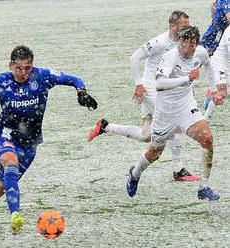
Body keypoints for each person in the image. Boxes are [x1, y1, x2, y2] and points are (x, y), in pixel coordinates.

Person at [0, 45, 98, 233]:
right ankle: (15, 216)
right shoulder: (1, 81)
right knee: (10, 162)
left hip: (30, 145)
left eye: (27, 68)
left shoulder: (42, 76)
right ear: (11, 65)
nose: (23, 73)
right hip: (5, 137)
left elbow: (74, 79)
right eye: (19, 68)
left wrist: (81, 92)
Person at [88, 10, 193, 181]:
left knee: (146, 135)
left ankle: (105, 126)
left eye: (189, 26)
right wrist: (138, 84)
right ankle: (178, 169)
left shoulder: (183, 43)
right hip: (150, 89)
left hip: (165, 91)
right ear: (172, 26)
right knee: (173, 122)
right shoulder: (159, 42)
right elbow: (134, 58)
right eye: (184, 26)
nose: (188, 30)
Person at [126, 26, 224, 201]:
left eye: (191, 46)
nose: (187, 50)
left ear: (196, 44)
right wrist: (187, 78)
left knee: (207, 138)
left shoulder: (200, 52)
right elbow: (160, 85)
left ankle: (203, 188)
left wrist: (213, 89)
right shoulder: (170, 57)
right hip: (165, 112)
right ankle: (134, 174)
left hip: (186, 107)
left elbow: (208, 66)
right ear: (179, 42)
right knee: (154, 153)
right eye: (183, 45)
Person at [204, 25, 230, 123]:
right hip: (220, 64)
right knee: (221, 92)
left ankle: (211, 91)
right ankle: (204, 122)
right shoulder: (229, 31)